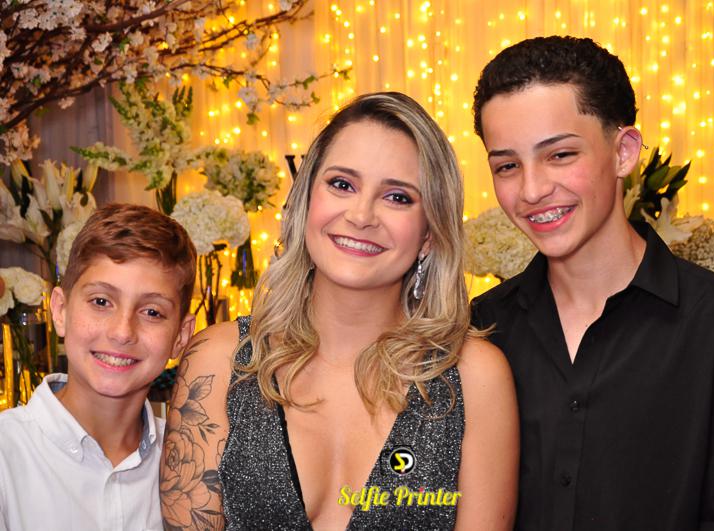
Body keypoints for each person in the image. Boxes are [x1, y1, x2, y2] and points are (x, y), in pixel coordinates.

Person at [160, 92, 519, 530]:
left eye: (398, 197)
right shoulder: (217, 359)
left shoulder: (475, 376)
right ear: (306, 199)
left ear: (429, 233)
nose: (361, 215)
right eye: (342, 185)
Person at [470, 36, 714, 531]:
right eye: (507, 166)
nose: (531, 190)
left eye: (560, 155)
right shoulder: (479, 329)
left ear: (624, 152)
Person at [0, 203, 197, 530]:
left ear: (180, 336)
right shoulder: (7, 454)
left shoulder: (192, 466)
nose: (122, 332)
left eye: (152, 312)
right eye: (101, 302)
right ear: (60, 310)